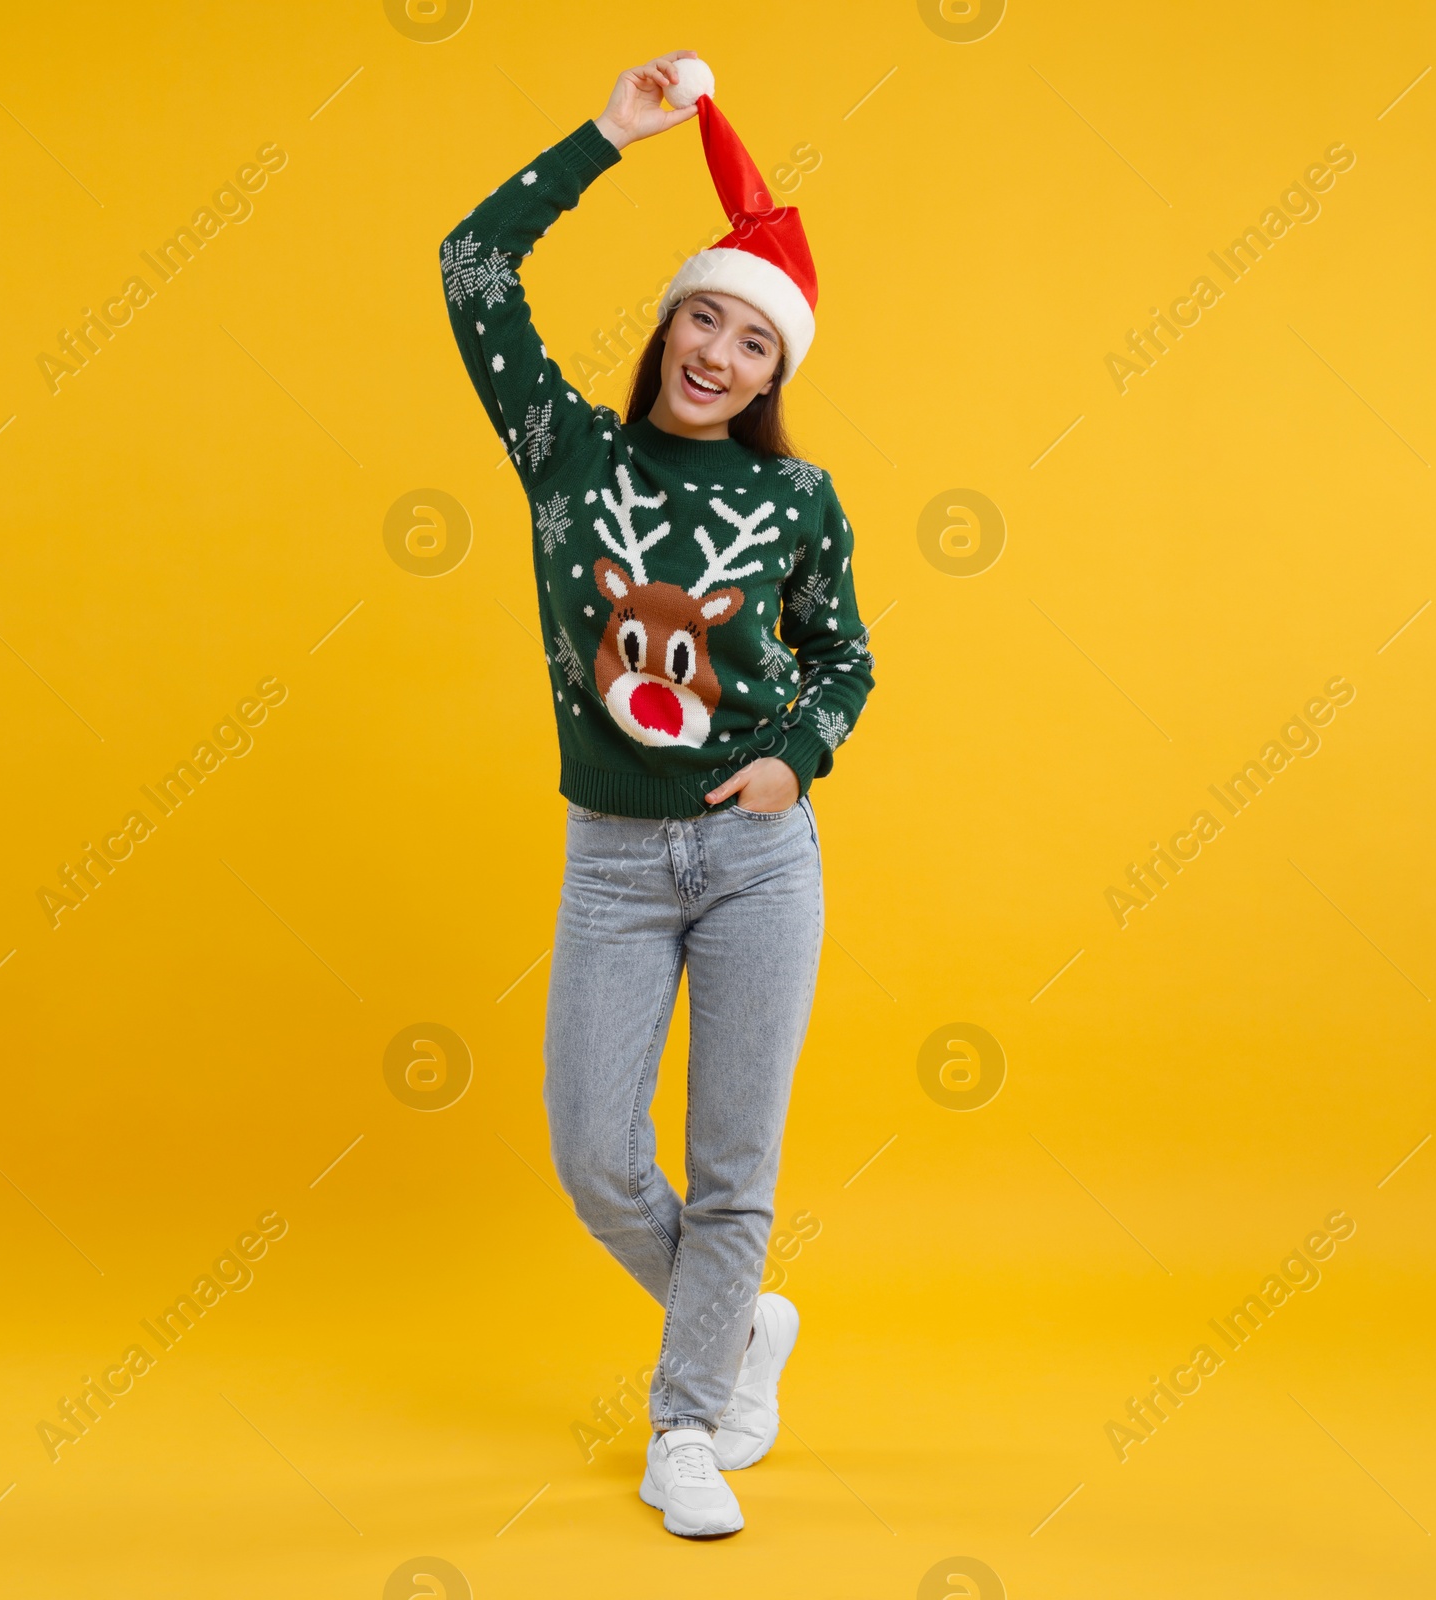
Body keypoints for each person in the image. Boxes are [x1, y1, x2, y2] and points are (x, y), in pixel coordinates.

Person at [440, 50, 876, 1539]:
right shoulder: (566, 453)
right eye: (708, 315)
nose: (722, 354)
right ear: (670, 321)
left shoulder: (799, 501)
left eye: (758, 343)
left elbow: (849, 659)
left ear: (775, 373)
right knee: (593, 1153)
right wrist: (611, 137)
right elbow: (472, 266)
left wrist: (793, 759)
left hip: (760, 856)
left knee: (731, 1165)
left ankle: (684, 1427)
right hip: (616, 859)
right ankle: (740, 1327)